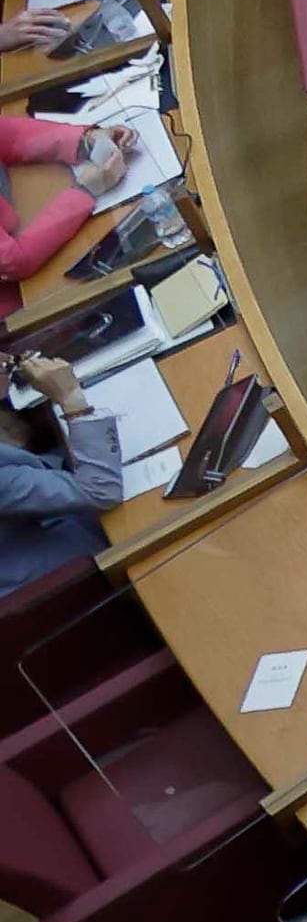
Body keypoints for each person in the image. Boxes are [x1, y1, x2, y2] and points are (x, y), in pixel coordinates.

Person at [0, 351, 128, 600]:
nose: (6, 359)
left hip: (56, 499)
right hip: (72, 576)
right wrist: (71, 399)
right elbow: (101, 492)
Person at [0, 101, 144, 313]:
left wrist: (84, 141)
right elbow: (14, 260)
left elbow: (10, 137)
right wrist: (84, 192)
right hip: (17, 302)